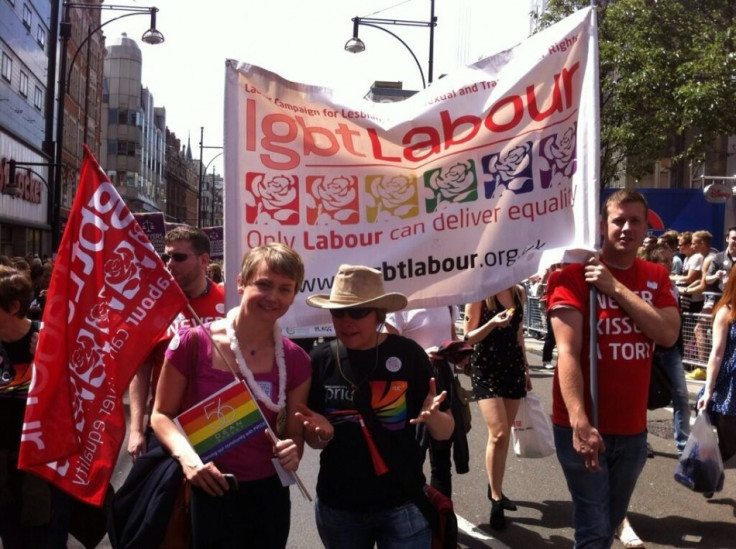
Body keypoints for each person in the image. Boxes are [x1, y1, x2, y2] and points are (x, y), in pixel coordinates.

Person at [151, 243, 311, 548]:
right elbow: (160, 415)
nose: (273, 297)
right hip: (207, 487)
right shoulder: (193, 342)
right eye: (263, 284)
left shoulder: (296, 360)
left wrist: (293, 451)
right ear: (240, 283)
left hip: (268, 497)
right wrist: (190, 461)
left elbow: (294, 436)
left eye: (285, 289)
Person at [547, 189, 680, 548]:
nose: (626, 228)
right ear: (603, 225)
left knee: (607, 523)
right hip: (583, 425)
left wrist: (614, 287)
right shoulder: (570, 277)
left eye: (635, 221)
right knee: (592, 528)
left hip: (633, 430)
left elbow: (667, 333)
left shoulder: (656, 275)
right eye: (618, 220)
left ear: (645, 228)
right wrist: (579, 421)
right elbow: (567, 353)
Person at [297, 265, 454, 548]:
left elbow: (444, 432)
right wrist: (320, 435)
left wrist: (434, 419)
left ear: (378, 313)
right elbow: (314, 440)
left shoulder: (408, 354)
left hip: (402, 505)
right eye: (338, 312)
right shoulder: (320, 359)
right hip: (339, 508)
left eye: (358, 312)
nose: (346, 322)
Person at [128, 226, 226, 459]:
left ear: (204, 261)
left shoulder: (230, 300)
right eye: (167, 256)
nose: (170, 264)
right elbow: (141, 370)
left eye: (179, 257)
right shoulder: (152, 305)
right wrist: (135, 429)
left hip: (220, 421)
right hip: (165, 424)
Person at [384, 306, 470, 498]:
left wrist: (459, 354)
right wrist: (422, 355)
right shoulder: (403, 306)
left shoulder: (447, 303)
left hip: (442, 385)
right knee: (411, 456)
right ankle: (410, 512)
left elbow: (452, 336)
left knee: (441, 459)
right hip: (409, 390)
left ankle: (443, 519)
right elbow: (387, 350)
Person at [464, 284, 531, 530]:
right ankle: (495, 498)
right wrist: (493, 323)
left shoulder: (518, 292)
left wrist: (525, 367)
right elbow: (467, 337)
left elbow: (519, 333)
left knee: (505, 436)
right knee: (499, 433)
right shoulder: (479, 293)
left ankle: (496, 486)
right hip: (486, 369)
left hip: (512, 368)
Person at [697, 270, 736, 465]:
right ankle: (706, 471)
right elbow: (717, 353)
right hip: (728, 386)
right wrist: (708, 390)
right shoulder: (726, 312)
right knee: (729, 444)